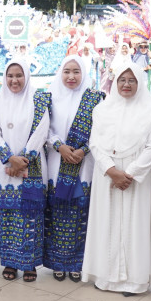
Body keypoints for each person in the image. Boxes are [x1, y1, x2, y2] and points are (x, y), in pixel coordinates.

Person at [81, 62, 151, 295]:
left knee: (134, 225)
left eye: (132, 80)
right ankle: (105, 277)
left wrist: (130, 173)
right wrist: (111, 171)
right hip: (108, 173)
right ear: (115, 83)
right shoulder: (102, 110)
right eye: (122, 80)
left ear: (140, 83)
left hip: (136, 177)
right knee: (107, 223)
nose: (126, 84)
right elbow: (95, 143)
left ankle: (135, 281)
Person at [0, 59, 50, 282]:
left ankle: (30, 263)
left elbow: (41, 132)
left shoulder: (38, 98)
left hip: (30, 166)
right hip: (5, 168)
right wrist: (9, 158)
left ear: (27, 76)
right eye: (10, 76)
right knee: (7, 217)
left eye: (19, 75)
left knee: (30, 216)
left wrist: (22, 160)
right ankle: (11, 263)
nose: (14, 80)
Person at [44, 56, 101, 282]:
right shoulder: (50, 97)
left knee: (80, 213)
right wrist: (60, 146)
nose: (71, 76)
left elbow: (100, 131)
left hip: (83, 164)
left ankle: (78, 263)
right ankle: (57, 262)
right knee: (57, 212)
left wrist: (82, 151)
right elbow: (43, 128)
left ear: (83, 73)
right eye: (67, 71)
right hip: (57, 161)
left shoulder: (94, 99)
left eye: (76, 71)